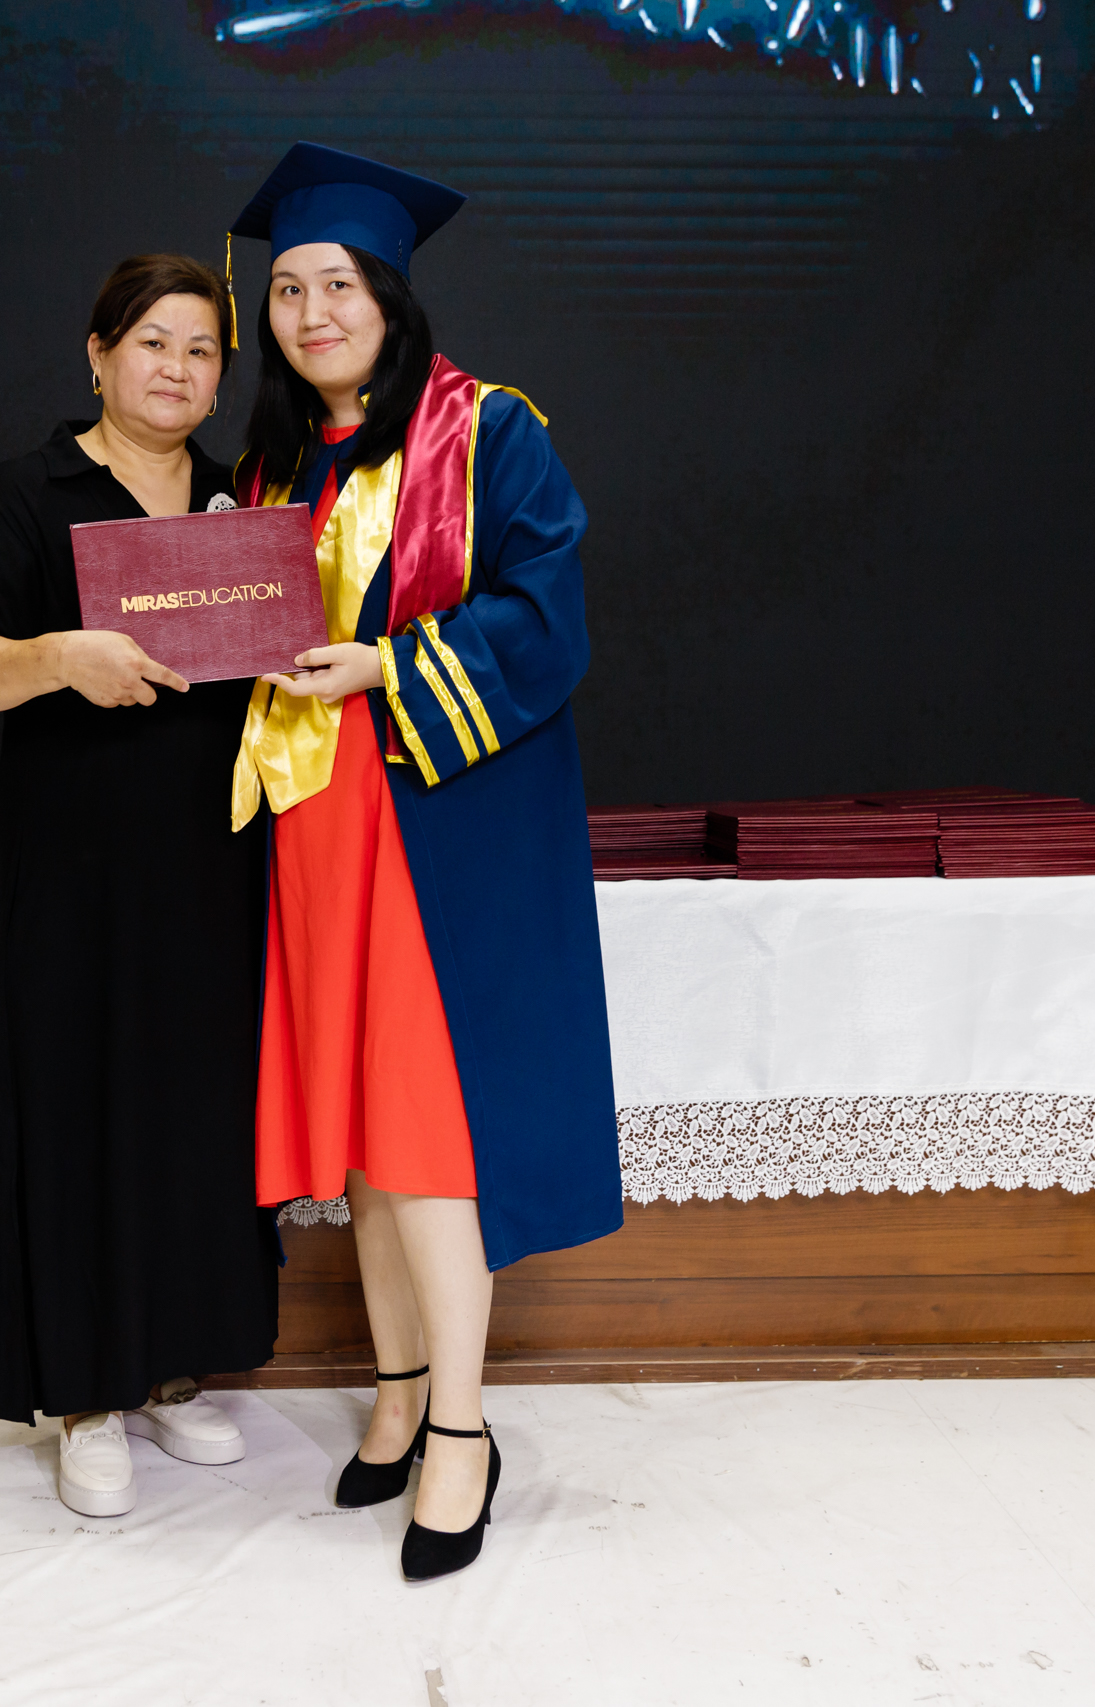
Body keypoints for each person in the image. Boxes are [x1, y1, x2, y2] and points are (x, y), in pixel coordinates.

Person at [229, 145, 623, 1581]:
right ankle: (396, 1391)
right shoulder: (275, 464)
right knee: (362, 1140)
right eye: (287, 289)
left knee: (427, 1135)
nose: (312, 312)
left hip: (435, 828)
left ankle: (460, 1425)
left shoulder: (487, 431)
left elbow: (549, 618)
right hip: (313, 828)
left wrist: (385, 665)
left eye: (337, 284)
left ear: (390, 297)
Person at [0, 254, 276, 1519]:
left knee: (195, 1114)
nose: (176, 370)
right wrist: (59, 657)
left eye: (200, 351)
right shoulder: (30, 494)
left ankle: (172, 1369)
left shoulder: (243, 503)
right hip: (73, 875)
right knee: (76, 1112)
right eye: (152, 343)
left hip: (212, 869)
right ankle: (83, 1395)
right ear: (98, 354)